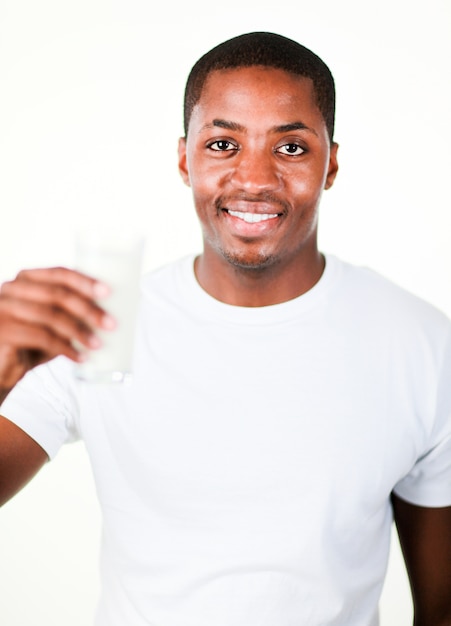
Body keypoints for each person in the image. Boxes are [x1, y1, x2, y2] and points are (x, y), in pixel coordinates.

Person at [0, 31, 450, 626]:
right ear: (185, 159)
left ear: (331, 164)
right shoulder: (104, 322)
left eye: (291, 148)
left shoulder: (418, 343)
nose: (255, 178)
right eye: (222, 144)